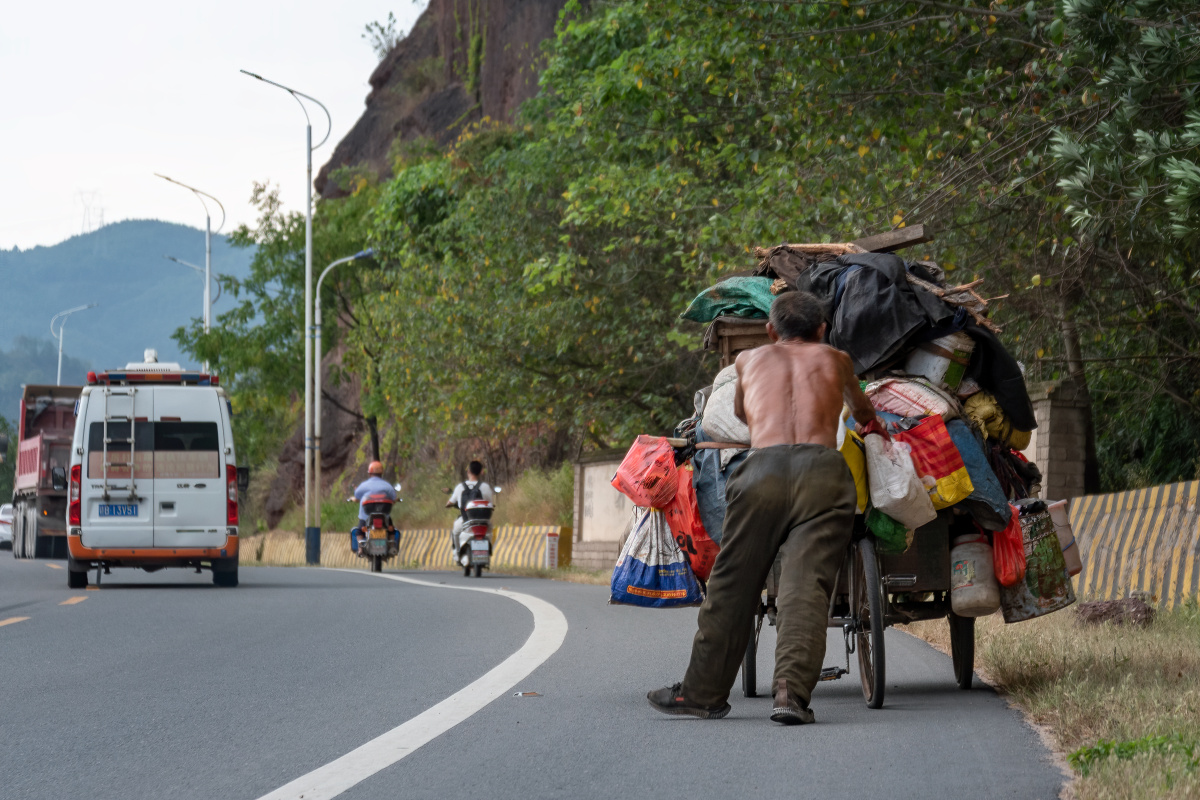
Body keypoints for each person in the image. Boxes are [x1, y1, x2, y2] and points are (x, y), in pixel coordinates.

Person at [647, 290, 883, 725]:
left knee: (732, 583)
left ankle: (702, 693)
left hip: (761, 473)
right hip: (823, 476)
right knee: (805, 586)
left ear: (771, 331)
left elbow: (743, 412)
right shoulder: (837, 360)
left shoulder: (748, 362)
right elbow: (863, 412)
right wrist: (871, 422)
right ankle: (790, 695)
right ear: (822, 330)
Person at [447, 460, 494, 554]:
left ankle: (457, 552)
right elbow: (491, 503)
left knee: (455, 532)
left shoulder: (460, 487)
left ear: (468, 471)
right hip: (483, 522)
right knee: (492, 531)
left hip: (466, 521)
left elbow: (450, 502)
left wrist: (449, 504)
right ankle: (488, 551)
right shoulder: (485, 487)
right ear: (481, 472)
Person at [350, 461, 396, 552]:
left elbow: (357, 495)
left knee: (359, 531)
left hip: (366, 516)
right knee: (391, 529)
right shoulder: (387, 486)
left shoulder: (364, 485)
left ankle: (360, 547)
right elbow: (393, 497)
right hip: (384, 516)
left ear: (370, 473)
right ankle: (391, 545)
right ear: (381, 473)